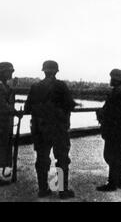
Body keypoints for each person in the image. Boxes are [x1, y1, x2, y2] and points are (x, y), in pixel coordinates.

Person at [24, 61, 76, 199]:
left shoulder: (35, 87)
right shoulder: (61, 86)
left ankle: (43, 189)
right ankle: (62, 191)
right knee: (62, 159)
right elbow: (71, 105)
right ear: (56, 71)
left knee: (41, 158)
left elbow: (27, 108)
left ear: (44, 71)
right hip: (58, 129)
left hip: (40, 129)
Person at [96, 69, 121, 192]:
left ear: (115, 79)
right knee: (119, 154)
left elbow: (112, 112)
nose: (110, 80)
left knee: (110, 155)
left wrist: (102, 114)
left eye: (111, 78)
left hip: (115, 129)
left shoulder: (117, 92)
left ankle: (112, 183)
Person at [0, 62, 21, 186]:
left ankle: (3, 174)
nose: (11, 74)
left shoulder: (5, 86)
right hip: (1, 124)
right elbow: (3, 105)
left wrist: (12, 87)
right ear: (2, 72)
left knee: (5, 148)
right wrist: (15, 112)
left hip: (5, 124)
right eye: (9, 71)